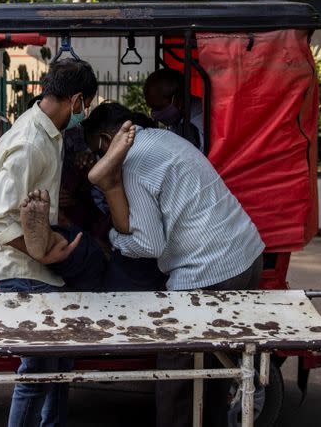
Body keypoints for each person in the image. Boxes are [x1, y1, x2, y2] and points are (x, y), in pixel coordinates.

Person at [82, 102, 265, 427]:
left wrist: (114, 239)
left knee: (176, 375)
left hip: (210, 272)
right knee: (215, 365)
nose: (96, 159)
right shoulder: (162, 139)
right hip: (246, 255)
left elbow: (149, 244)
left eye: (96, 150)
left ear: (106, 140)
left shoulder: (133, 163)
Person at [0, 59, 99, 427]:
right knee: (38, 368)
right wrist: (40, 250)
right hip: (24, 271)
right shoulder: (31, 142)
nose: (84, 113)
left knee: (59, 361)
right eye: (86, 105)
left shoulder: (47, 133)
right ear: (76, 100)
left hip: (40, 267)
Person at [143, 68, 204, 150]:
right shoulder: (180, 120)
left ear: (177, 99)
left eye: (158, 108)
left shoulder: (197, 125)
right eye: (152, 108)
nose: (154, 114)